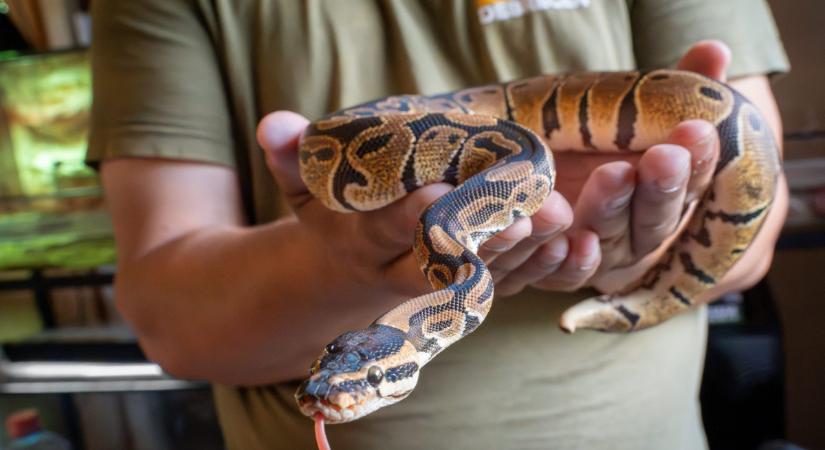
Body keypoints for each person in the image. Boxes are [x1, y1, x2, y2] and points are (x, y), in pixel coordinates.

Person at [87, 1, 789, 449]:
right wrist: (350, 264)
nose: (330, 393)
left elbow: (758, 229)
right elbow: (168, 320)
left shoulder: (454, 262)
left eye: (350, 376)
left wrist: (642, 245)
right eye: (350, 377)